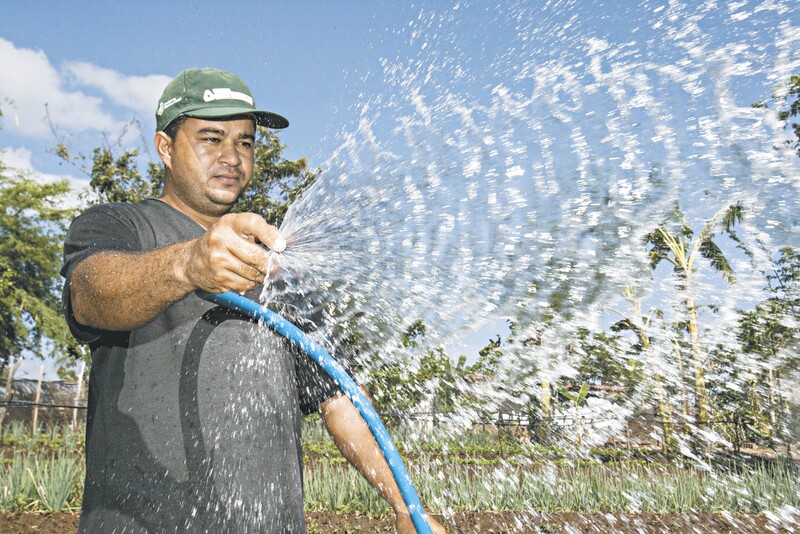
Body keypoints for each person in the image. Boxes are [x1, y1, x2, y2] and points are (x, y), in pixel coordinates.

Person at [61, 67, 445, 533]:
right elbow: (90, 295)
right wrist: (188, 264)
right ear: (165, 147)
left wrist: (405, 505)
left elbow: (340, 399)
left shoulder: (274, 268)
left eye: (244, 142)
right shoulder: (121, 228)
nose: (231, 157)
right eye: (211, 138)